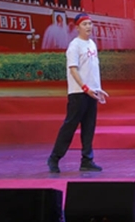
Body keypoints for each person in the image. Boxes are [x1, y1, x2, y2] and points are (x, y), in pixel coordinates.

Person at [47, 13, 110, 173]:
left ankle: (87, 160)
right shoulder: (74, 46)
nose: (88, 27)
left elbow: (93, 70)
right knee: (70, 126)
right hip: (78, 93)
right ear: (77, 28)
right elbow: (73, 70)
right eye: (84, 24)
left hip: (92, 93)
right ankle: (54, 158)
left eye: (90, 24)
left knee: (89, 127)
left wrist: (97, 88)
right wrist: (85, 88)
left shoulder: (92, 44)